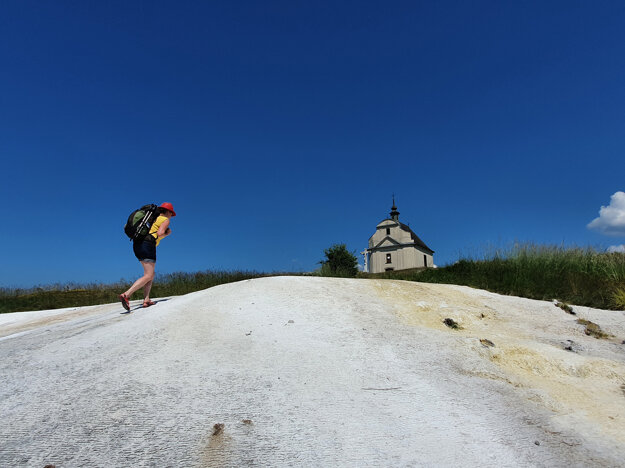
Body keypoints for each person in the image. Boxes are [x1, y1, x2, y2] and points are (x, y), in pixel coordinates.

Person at [118, 202, 177, 311]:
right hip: (148, 246)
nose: (171, 216)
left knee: (150, 274)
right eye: (171, 213)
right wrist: (167, 234)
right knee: (149, 275)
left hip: (138, 244)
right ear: (168, 211)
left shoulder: (152, 218)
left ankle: (146, 299)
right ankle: (126, 295)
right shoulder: (165, 220)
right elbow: (160, 233)